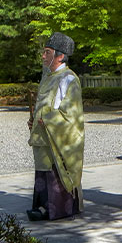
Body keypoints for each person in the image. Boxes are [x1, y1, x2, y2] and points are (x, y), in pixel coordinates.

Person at [27, 32, 84, 221]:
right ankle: (43, 207)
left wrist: (49, 120)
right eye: (43, 52)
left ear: (60, 56)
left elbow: (71, 114)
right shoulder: (48, 76)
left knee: (55, 169)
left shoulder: (69, 78)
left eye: (47, 52)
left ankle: (59, 208)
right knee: (43, 171)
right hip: (45, 133)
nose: (43, 56)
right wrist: (34, 120)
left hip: (55, 133)